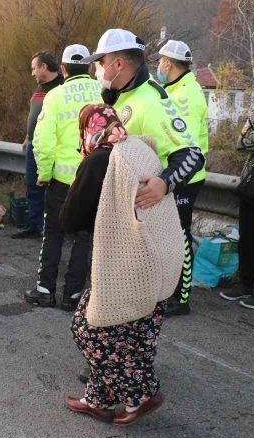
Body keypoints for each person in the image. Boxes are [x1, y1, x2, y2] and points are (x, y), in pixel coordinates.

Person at [62, 104, 183, 425]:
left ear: (89, 129)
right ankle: (97, 400)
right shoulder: (141, 148)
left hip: (126, 263)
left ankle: (140, 394)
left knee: (89, 329)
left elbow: (70, 219)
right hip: (163, 258)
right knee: (136, 335)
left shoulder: (99, 159)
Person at [85, 29, 205, 316]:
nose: (97, 69)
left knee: (169, 251)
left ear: (119, 64)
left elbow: (192, 155)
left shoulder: (152, 101)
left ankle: (175, 298)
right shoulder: (120, 95)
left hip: (157, 198)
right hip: (129, 205)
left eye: (100, 62)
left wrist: (164, 184)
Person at [25, 45, 101, 310]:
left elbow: (42, 140)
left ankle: (45, 290)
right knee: (83, 237)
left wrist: (44, 174)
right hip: (91, 179)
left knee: (53, 233)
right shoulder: (103, 92)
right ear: (90, 67)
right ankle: (73, 295)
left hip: (60, 180)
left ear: (65, 69)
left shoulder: (55, 95)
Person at [154, 40, 209, 315]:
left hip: (186, 175)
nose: (158, 66)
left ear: (168, 63)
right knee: (171, 234)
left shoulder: (186, 93)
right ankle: (168, 289)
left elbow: (182, 143)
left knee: (181, 236)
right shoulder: (175, 88)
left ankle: (182, 297)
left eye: (160, 61)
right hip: (176, 173)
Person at [13, 51, 64, 239]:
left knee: (50, 188)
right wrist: (28, 136)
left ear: (44, 67)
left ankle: (50, 228)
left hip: (51, 146)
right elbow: (35, 114)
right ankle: (34, 225)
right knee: (32, 185)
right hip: (34, 144)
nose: (32, 73)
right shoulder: (39, 87)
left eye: (34, 68)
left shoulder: (61, 87)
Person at [220, 102, 254, 309]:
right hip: (252, 184)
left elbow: (251, 140)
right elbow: (241, 142)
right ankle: (245, 283)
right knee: (247, 237)